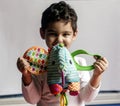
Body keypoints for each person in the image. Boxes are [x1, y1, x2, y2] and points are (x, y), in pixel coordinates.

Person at [17, 1, 109, 106]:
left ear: (74, 34)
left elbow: (87, 98)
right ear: (43, 33)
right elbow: (32, 100)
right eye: (53, 34)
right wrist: (26, 75)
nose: (59, 40)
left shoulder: (79, 63)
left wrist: (97, 75)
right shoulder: (38, 65)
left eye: (66, 34)